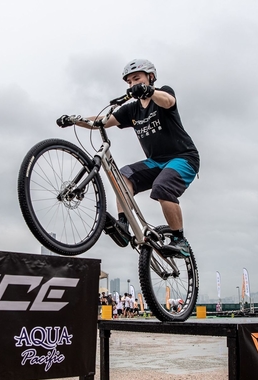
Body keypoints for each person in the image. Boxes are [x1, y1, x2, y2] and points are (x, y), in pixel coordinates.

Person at [57, 59, 200, 257]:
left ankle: (179, 240)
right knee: (122, 176)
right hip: (155, 162)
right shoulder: (132, 109)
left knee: (162, 187)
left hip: (183, 158)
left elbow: (168, 101)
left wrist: (149, 91)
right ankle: (123, 225)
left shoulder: (162, 93)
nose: (133, 84)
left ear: (150, 77)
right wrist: (75, 120)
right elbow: (101, 122)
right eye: (129, 82)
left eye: (137, 79)